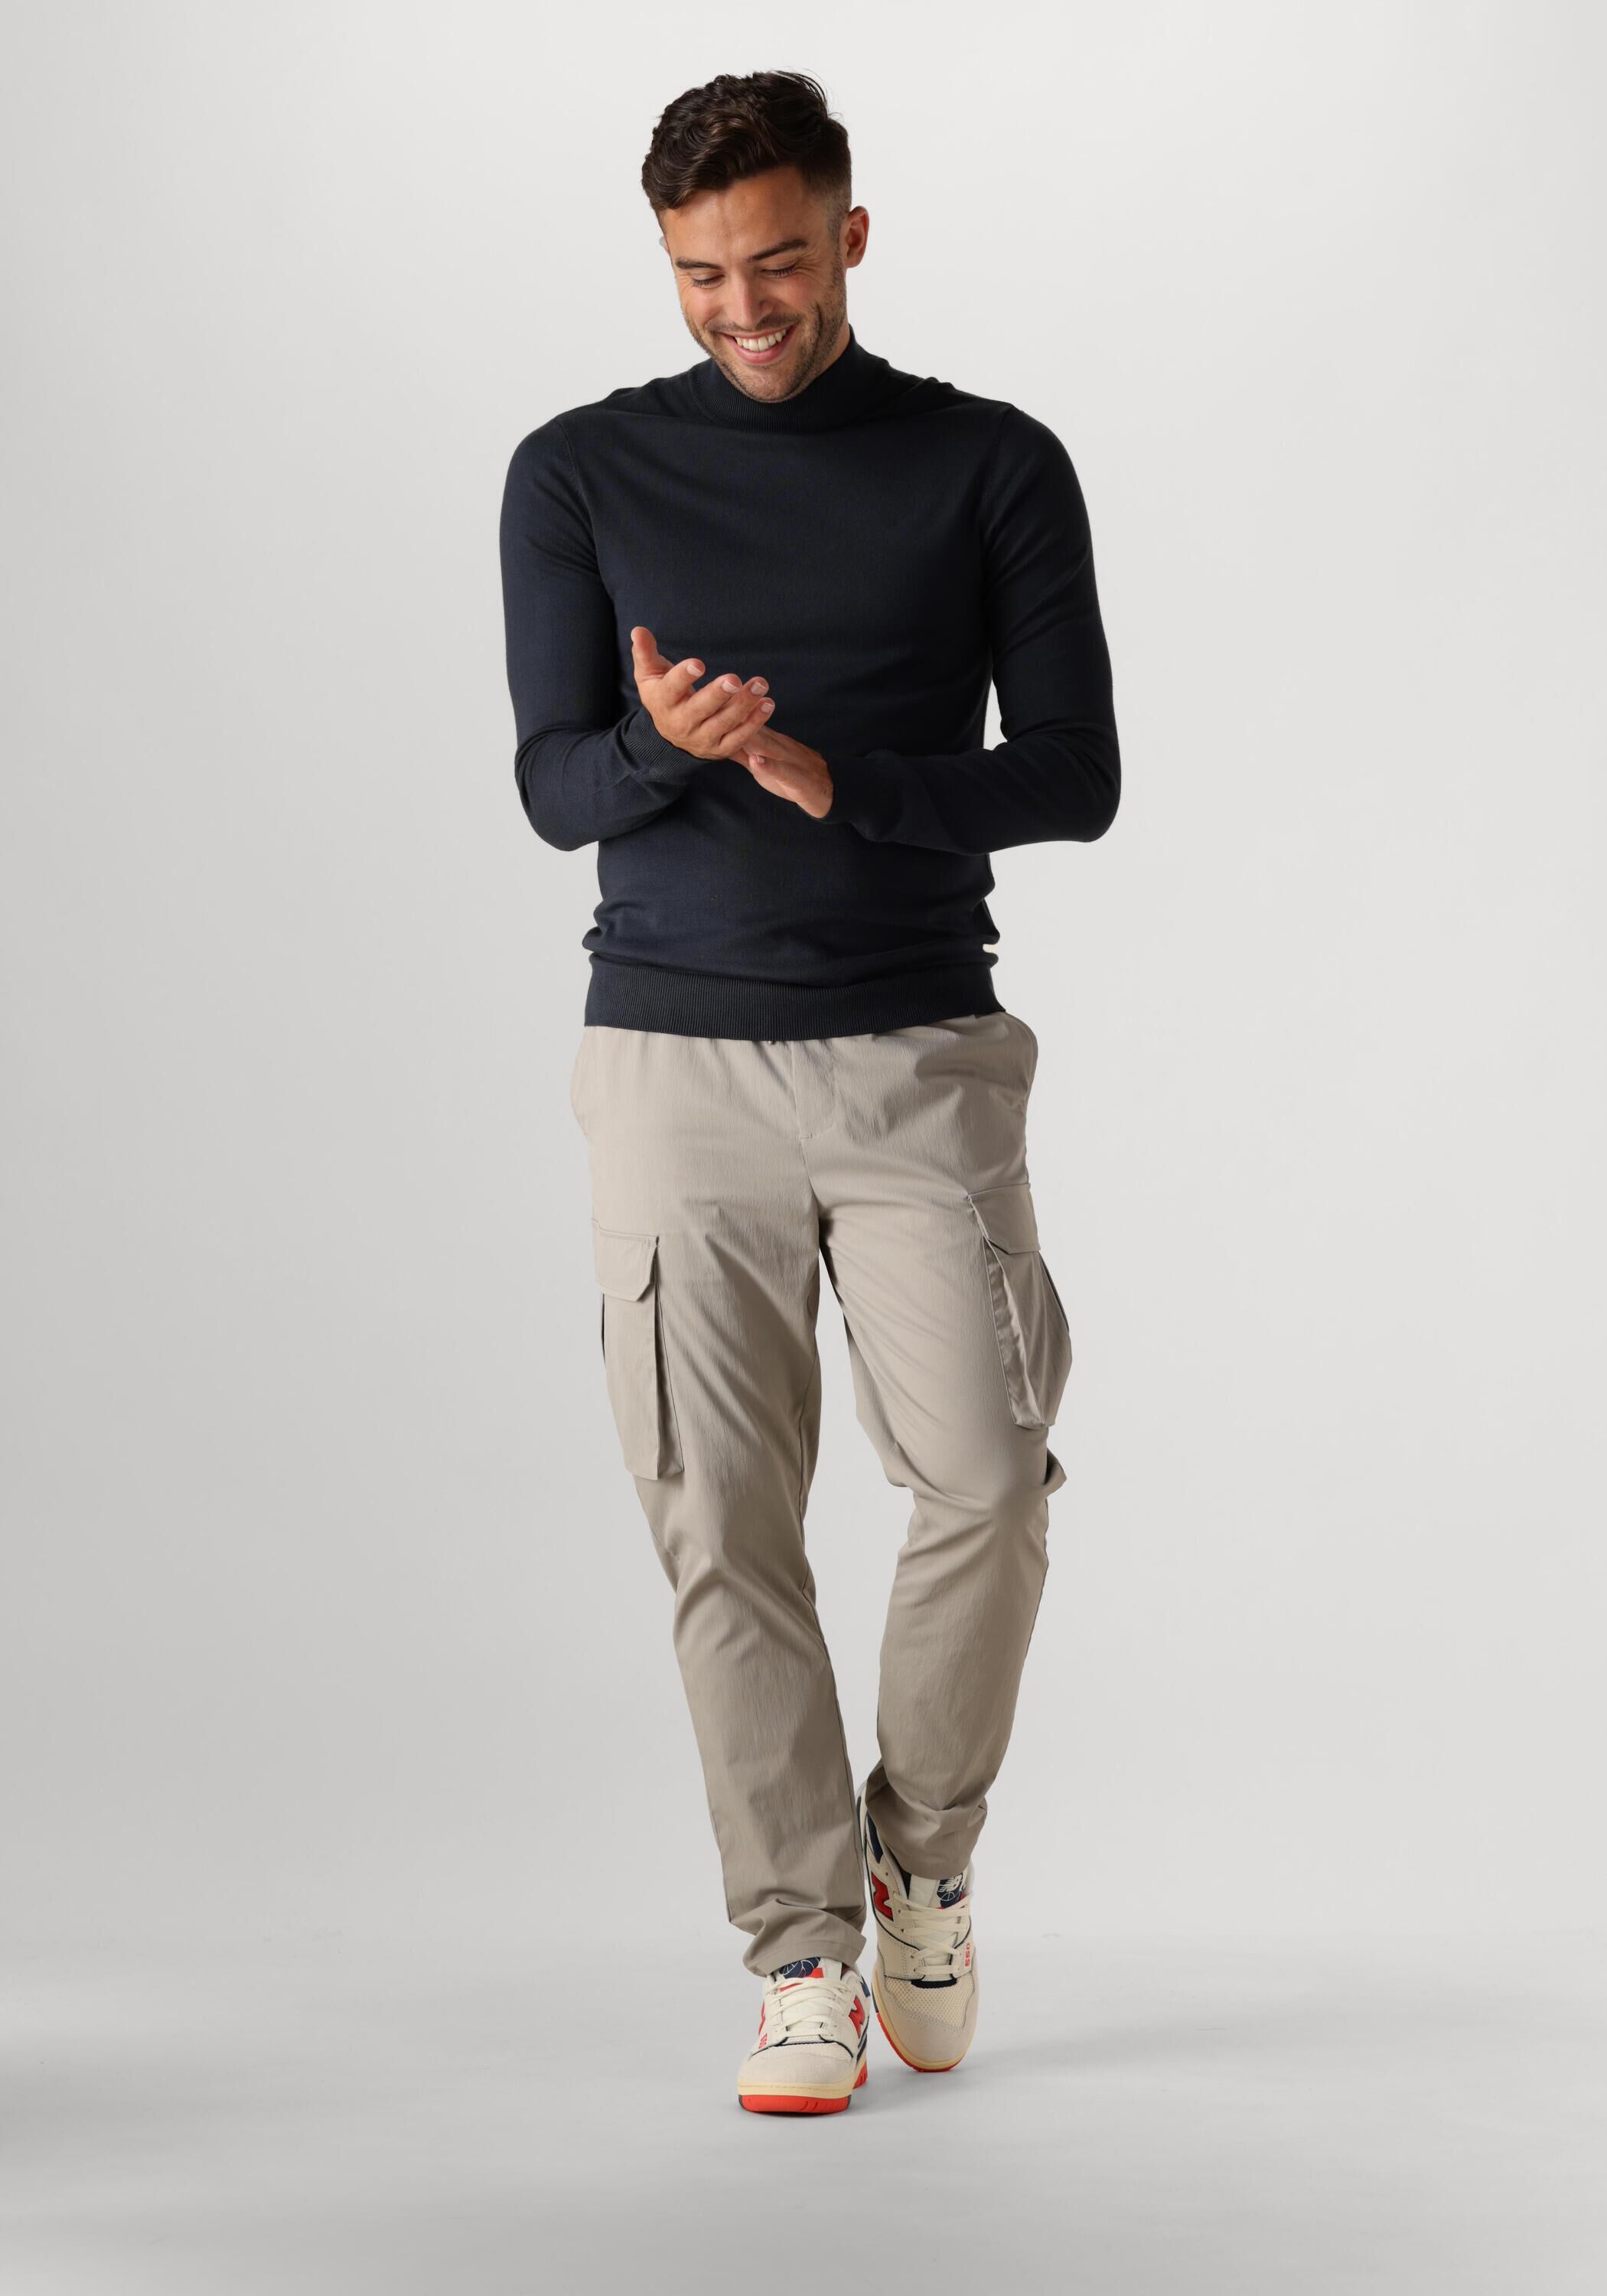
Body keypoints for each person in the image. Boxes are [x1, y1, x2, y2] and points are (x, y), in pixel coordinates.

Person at [498, 69, 1119, 2116]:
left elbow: (1076, 775)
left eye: (776, 262)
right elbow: (554, 787)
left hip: (918, 1053)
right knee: (722, 1523)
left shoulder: (990, 464)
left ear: (849, 234)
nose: (743, 309)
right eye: (701, 276)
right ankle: (797, 1957)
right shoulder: (577, 473)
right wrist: (665, 751)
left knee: (989, 1483)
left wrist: (845, 783)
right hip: (670, 1060)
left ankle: (917, 1862)